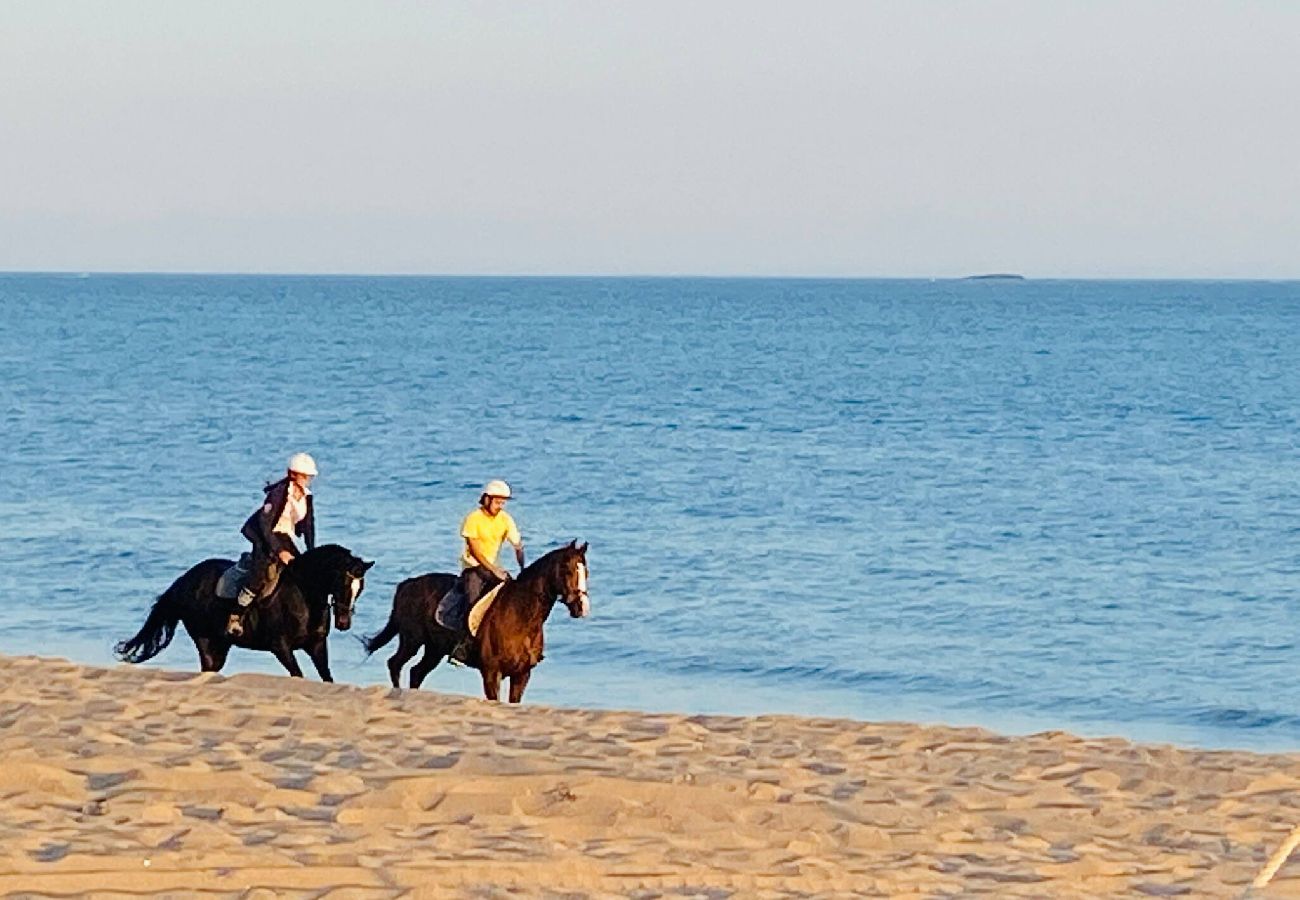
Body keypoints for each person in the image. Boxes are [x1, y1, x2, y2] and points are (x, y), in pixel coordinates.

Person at [228, 452, 318, 635]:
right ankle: (236, 615)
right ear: (293, 474)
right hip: (265, 536)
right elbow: (264, 524)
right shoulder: (278, 493)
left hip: (285, 536)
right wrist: (279, 551)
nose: (308, 480)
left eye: (309, 476)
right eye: (305, 476)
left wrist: (312, 553)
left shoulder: (307, 496)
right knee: (259, 575)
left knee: (301, 571)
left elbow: (309, 526)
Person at [437, 480, 525, 638]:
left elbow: (517, 545)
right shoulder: (473, 519)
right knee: (473, 604)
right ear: (487, 499)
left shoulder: (505, 519)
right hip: (474, 568)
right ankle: (465, 641)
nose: (500, 506)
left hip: (494, 569)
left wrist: (522, 567)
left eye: (502, 503)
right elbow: (474, 550)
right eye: (497, 502)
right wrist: (493, 569)